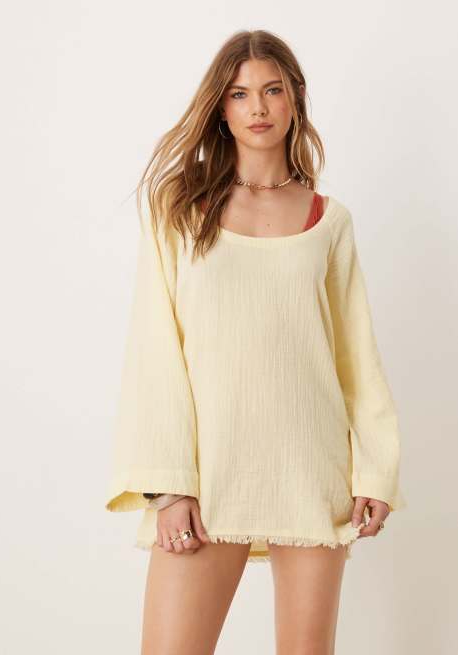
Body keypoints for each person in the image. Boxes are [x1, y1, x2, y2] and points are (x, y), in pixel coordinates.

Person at [105, 29, 407, 655]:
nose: (258, 108)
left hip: (312, 468)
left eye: (272, 90)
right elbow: (155, 350)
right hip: (209, 475)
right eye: (240, 94)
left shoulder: (329, 220)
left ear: (295, 98)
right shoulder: (178, 208)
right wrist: (170, 485)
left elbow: (355, 359)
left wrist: (376, 471)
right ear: (221, 107)